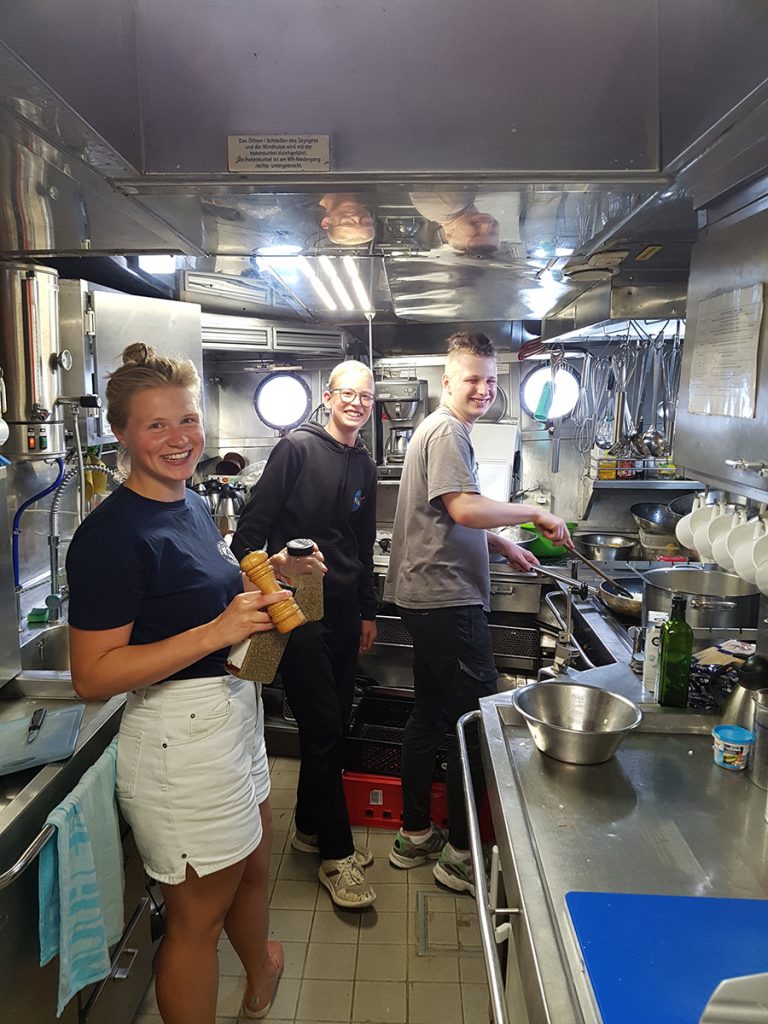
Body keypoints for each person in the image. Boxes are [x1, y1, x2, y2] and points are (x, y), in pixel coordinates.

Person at [66, 343, 322, 1024]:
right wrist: (216, 631)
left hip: (232, 712)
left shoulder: (190, 505)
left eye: (187, 419)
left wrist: (275, 579)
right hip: (180, 742)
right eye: (156, 425)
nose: (179, 438)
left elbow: (202, 595)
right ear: (121, 434)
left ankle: (261, 972)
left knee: (254, 867)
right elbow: (92, 675)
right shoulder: (110, 537)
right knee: (194, 924)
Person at [384, 332, 570, 895]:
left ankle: (415, 833)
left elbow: (448, 516)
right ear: (447, 381)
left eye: (490, 380)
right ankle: (461, 854)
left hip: (429, 598)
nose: (483, 389)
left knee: (430, 717)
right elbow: (464, 508)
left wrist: (503, 543)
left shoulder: (442, 430)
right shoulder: (447, 432)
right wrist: (533, 513)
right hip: (447, 599)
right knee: (477, 725)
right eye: (472, 379)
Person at [232, 360, 379, 909]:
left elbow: (361, 543)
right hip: (297, 607)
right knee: (322, 728)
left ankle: (309, 830)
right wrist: (277, 581)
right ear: (328, 396)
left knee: (334, 722)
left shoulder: (364, 463)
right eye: (348, 393)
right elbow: (246, 538)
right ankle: (336, 856)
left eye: (366, 396)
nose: (357, 403)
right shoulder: (295, 448)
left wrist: (368, 611)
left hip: (343, 609)